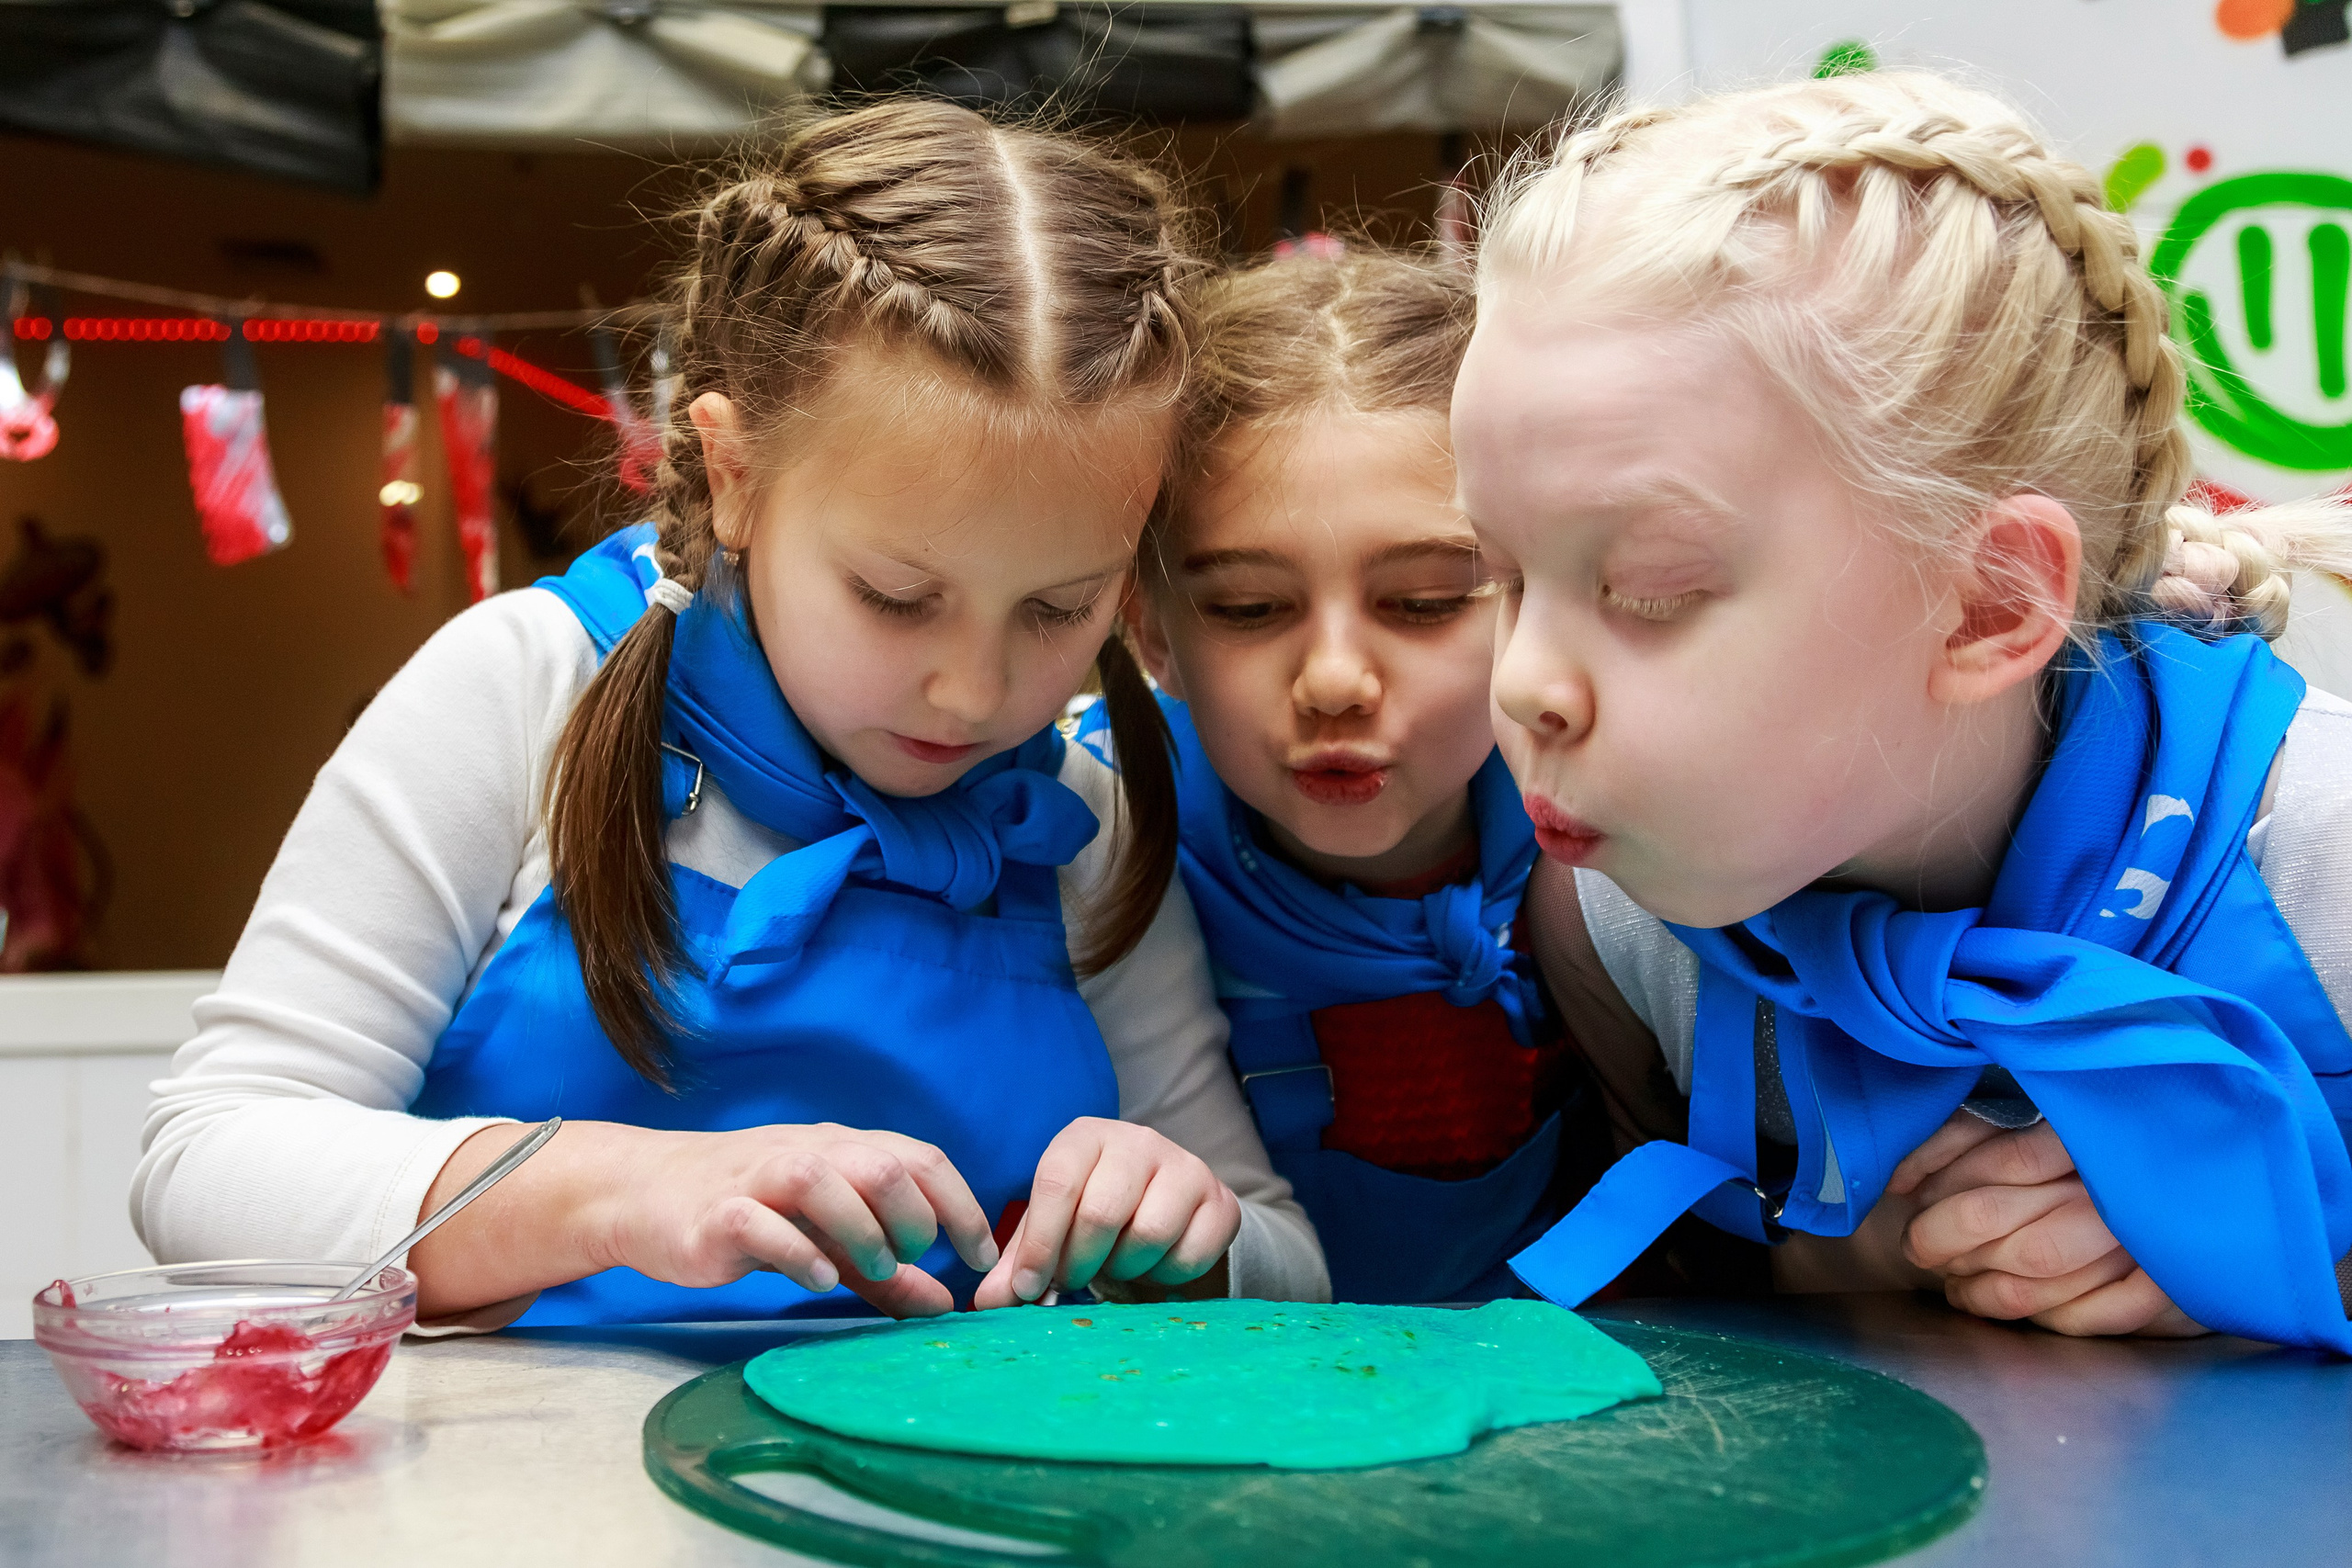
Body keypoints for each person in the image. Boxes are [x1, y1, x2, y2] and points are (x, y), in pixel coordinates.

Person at [133, 100, 1329, 1328]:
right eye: (895, 595)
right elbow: (205, 1164)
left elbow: (1292, 1256)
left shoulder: (1083, 822)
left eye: (1059, 608)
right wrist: (623, 1185)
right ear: (736, 473)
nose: (976, 690)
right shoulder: (524, 687)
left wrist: (1197, 1230)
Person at [1453, 72, 2352, 1346]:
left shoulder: (2327, 869)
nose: (1525, 684)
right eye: (1491, 576)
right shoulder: (1619, 929)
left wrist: (2296, 1255)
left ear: (1989, 605)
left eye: (1649, 592)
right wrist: (1824, 1265)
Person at [1114, 252, 1589, 1304]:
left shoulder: (1622, 854)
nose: (1334, 679)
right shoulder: (1098, 871)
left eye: (1422, 602)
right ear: (1147, 630)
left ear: (1540, 592)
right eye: (1248, 608)